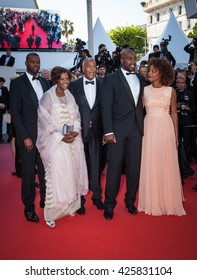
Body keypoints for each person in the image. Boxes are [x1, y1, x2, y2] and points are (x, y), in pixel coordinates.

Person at [36, 66, 89, 228]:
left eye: (68, 79)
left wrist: (75, 132)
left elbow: (76, 117)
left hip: (72, 143)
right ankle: (51, 214)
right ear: (55, 80)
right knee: (57, 177)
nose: (66, 82)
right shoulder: (48, 97)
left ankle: (69, 208)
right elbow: (45, 123)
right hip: (56, 144)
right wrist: (61, 137)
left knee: (71, 175)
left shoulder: (70, 95)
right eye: (62, 79)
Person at [100, 48, 145, 220]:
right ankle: (109, 204)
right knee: (114, 168)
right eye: (129, 58)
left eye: (134, 58)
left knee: (134, 168)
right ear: (121, 60)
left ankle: (130, 201)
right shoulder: (111, 79)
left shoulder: (141, 79)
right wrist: (108, 131)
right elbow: (106, 107)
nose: (133, 61)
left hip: (136, 130)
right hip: (117, 131)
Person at [138, 58, 186, 216]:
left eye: (153, 71)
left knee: (165, 163)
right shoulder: (144, 90)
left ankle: (167, 200)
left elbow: (174, 114)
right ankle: (152, 199)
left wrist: (176, 136)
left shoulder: (170, 91)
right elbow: (138, 112)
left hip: (165, 128)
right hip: (150, 127)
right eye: (149, 71)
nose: (149, 73)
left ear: (162, 73)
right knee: (151, 162)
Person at [10, 53, 50, 223]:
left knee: (44, 171)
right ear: (26, 63)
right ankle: (28, 207)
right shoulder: (17, 83)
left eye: (38, 62)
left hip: (45, 136)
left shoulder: (45, 82)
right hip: (28, 136)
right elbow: (15, 114)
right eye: (32, 62)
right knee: (28, 174)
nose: (35, 64)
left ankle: (45, 200)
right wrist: (25, 137)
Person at [69, 58, 105, 213]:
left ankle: (97, 197)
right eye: (89, 66)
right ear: (83, 68)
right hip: (79, 132)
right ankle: (80, 200)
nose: (92, 69)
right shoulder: (73, 85)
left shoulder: (104, 84)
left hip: (98, 131)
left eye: (94, 66)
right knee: (79, 166)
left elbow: (107, 108)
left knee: (97, 165)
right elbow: (69, 110)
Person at [0, 77, 9, 143]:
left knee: (2, 124)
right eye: (1, 83)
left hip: (4, 109)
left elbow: (8, 98)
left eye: (2, 83)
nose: (1, 85)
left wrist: (5, 105)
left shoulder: (5, 89)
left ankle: (1, 138)